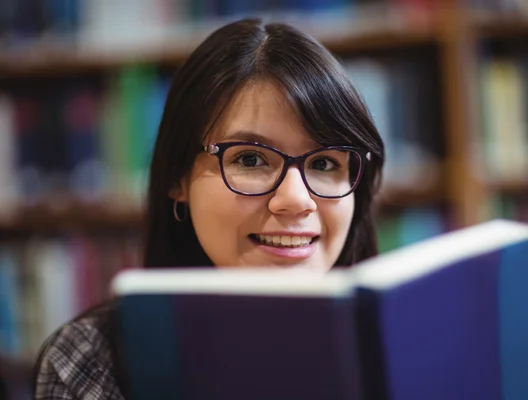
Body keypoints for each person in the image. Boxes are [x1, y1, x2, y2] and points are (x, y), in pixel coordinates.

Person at [33, 17, 384, 399]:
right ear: (177, 176)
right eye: (250, 160)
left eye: (324, 163)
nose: (296, 200)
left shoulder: (397, 345)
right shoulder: (92, 360)